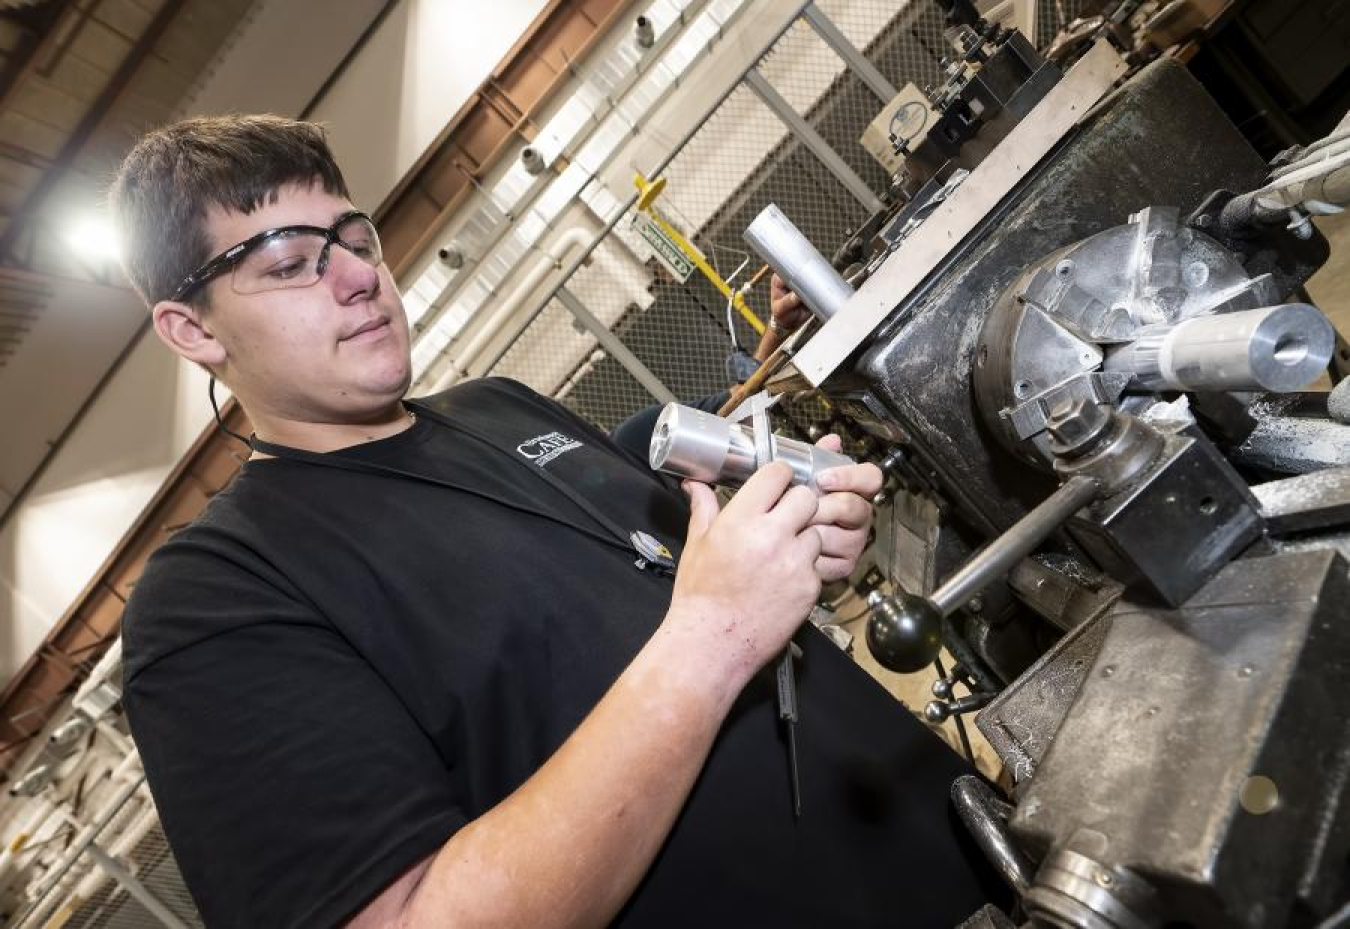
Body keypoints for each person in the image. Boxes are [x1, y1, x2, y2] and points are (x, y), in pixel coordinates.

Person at [111, 114, 1002, 928]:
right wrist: (718, 631)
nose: (357, 277)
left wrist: (791, 544)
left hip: (976, 866)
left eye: (354, 237)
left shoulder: (494, 407)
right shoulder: (219, 594)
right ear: (192, 330)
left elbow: (680, 569)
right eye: (289, 262)